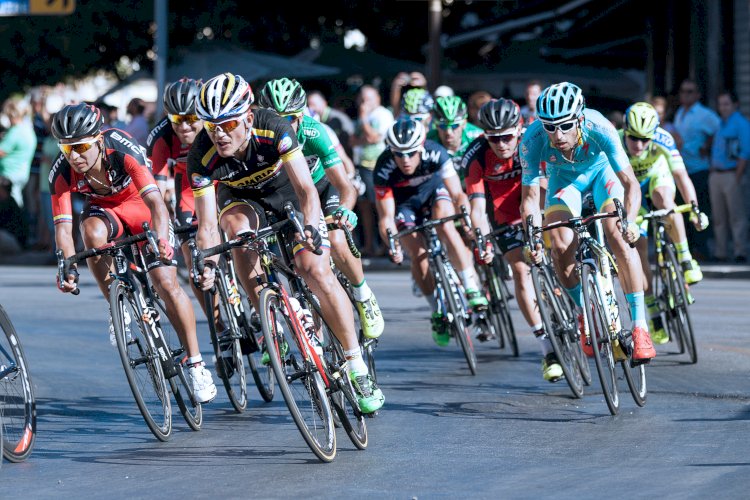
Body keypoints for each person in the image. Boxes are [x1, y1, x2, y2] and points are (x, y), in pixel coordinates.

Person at [189, 73, 383, 413]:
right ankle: (268, 320)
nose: (219, 133)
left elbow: (308, 191)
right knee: (236, 233)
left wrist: (312, 227)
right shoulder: (202, 155)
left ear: (248, 117)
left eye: (228, 124)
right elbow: (206, 225)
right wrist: (207, 262)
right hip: (242, 200)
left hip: (288, 193)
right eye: (211, 126)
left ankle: (356, 365)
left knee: (314, 269)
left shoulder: (274, 126)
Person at [49, 103, 217, 403]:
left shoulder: (122, 147)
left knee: (166, 282)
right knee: (90, 232)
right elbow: (64, 229)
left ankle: (196, 363)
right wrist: (68, 268)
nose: (74, 156)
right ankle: (118, 306)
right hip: (105, 211)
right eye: (67, 149)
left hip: (140, 205)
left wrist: (163, 242)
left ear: (98, 141)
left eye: (82, 147)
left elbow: (156, 203)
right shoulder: (61, 172)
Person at [520, 82, 656, 362]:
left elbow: (630, 184)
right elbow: (530, 200)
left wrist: (629, 222)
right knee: (558, 243)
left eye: (566, 125)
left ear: (580, 118)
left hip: (601, 176)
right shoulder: (531, 141)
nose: (557, 135)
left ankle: (640, 327)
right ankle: (586, 313)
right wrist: (532, 238)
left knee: (617, 233)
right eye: (549, 126)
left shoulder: (601, 127)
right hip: (564, 181)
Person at [258, 77, 385, 340]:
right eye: (277, 119)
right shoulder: (262, 140)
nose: (284, 126)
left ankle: (363, 296)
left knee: (337, 237)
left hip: (323, 188)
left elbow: (346, 186)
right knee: (302, 266)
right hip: (292, 199)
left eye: (290, 118)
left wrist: (346, 211)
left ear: (301, 116)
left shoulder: (315, 132)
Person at [463, 98, 561, 381]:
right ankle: (547, 349)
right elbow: (477, 208)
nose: (501, 144)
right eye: (494, 139)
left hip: (537, 202)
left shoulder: (534, 139)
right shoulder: (476, 156)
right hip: (503, 216)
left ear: (519, 129)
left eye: (507, 137)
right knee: (520, 270)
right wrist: (481, 239)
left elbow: (546, 186)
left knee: (558, 236)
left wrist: (544, 222)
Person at [375, 117, 487, 346]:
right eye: (399, 154)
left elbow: (457, 195)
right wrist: (392, 245)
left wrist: (466, 218)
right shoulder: (383, 168)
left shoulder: (436, 153)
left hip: (435, 194)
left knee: (445, 223)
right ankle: (437, 311)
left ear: (421, 147)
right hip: (404, 205)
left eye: (410, 153)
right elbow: (385, 216)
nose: (405, 160)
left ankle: (470, 285)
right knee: (418, 256)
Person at [621, 102, 708, 343]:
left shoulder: (664, 138)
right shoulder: (615, 142)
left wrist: (695, 209)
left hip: (656, 179)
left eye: (645, 140)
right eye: (633, 138)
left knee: (665, 199)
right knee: (638, 251)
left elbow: (681, 176)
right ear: (625, 131)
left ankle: (685, 259)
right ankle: (653, 312)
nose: (639, 145)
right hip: (631, 192)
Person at [146, 78, 219, 323]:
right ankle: (218, 326)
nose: (184, 128)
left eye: (190, 119)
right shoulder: (161, 137)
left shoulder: (215, 126)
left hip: (221, 181)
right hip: (188, 189)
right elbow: (155, 191)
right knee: (192, 256)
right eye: (177, 120)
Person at [673, 79, 721, 261]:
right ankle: (690, 249)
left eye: (690, 91)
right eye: (683, 91)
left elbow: (719, 130)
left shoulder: (704, 114)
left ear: (698, 94)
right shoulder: (680, 113)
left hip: (699, 169)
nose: (685, 94)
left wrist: (708, 146)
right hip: (682, 169)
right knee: (684, 211)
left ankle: (702, 250)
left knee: (699, 209)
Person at [351, 85, 394, 256]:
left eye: (368, 99)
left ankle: (387, 245)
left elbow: (372, 137)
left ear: (377, 99)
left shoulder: (382, 115)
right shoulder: (363, 117)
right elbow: (354, 141)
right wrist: (364, 137)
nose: (364, 103)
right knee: (364, 207)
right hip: (362, 165)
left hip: (377, 165)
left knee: (380, 206)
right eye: (362, 98)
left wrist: (363, 118)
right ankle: (369, 245)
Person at [709, 91, 750, 262]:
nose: (723, 108)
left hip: (732, 174)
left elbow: (745, 152)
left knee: (737, 216)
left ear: (735, 105)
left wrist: (738, 176)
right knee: (719, 217)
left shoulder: (741, 123)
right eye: (720, 104)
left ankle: (740, 251)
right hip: (717, 174)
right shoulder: (720, 124)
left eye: (726, 104)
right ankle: (721, 251)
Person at [426, 95, 483, 182]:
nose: (448, 132)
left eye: (454, 126)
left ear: (464, 123)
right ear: (436, 125)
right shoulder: (428, 141)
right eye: (443, 126)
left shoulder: (478, 137)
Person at [0, 96, 37, 209]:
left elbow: (1, 151)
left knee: (12, 205)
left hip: (9, 175)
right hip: (22, 173)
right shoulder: (28, 129)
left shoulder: (15, 131)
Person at [306, 89, 355, 158]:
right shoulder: (316, 119)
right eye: (308, 105)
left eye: (313, 104)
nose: (310, 108)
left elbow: (351, 139)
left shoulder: (337, 118)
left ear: (324, 103)